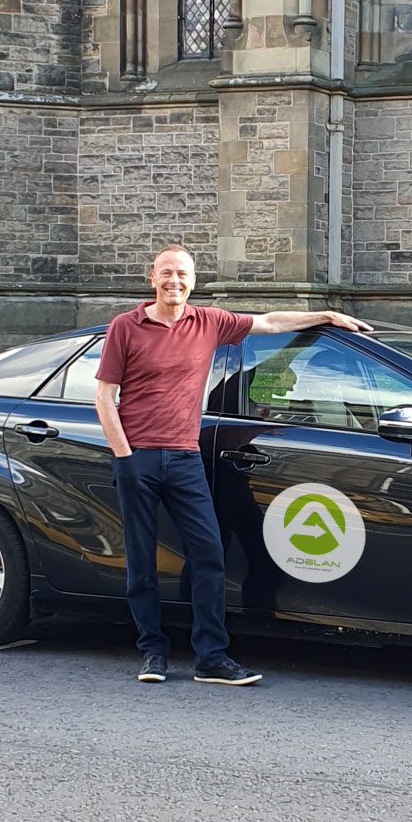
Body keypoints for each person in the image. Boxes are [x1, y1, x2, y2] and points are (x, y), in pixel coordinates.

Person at [93, 244, 370, 685]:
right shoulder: (126, 327)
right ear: (152, 278)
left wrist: (325, 316)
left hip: (184, 457)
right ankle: (153, 651)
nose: (174, 281)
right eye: (166, 273)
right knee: (142, 561)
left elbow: (271, 323)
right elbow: (104, 396)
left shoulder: (209, 322)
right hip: (138, 457)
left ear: (193, 280)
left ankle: (210, 658)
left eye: (182, 273)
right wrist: (124, 456)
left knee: (209, 555)